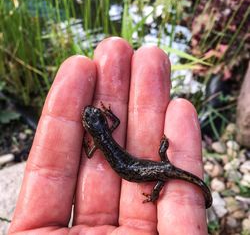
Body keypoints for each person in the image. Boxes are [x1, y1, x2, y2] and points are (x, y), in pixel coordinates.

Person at [9, 37, 208, 234]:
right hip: (152, 167)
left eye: (93, 115)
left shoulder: (98, 140)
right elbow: (117, 122)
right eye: (91, 117)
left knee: (164, 176)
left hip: (148, 170)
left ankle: (159, 195)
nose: (90, 112)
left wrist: (87, 145)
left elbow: (89, 154)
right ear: (100, 124)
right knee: (163, 169)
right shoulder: (105, 134)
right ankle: (165, 187)